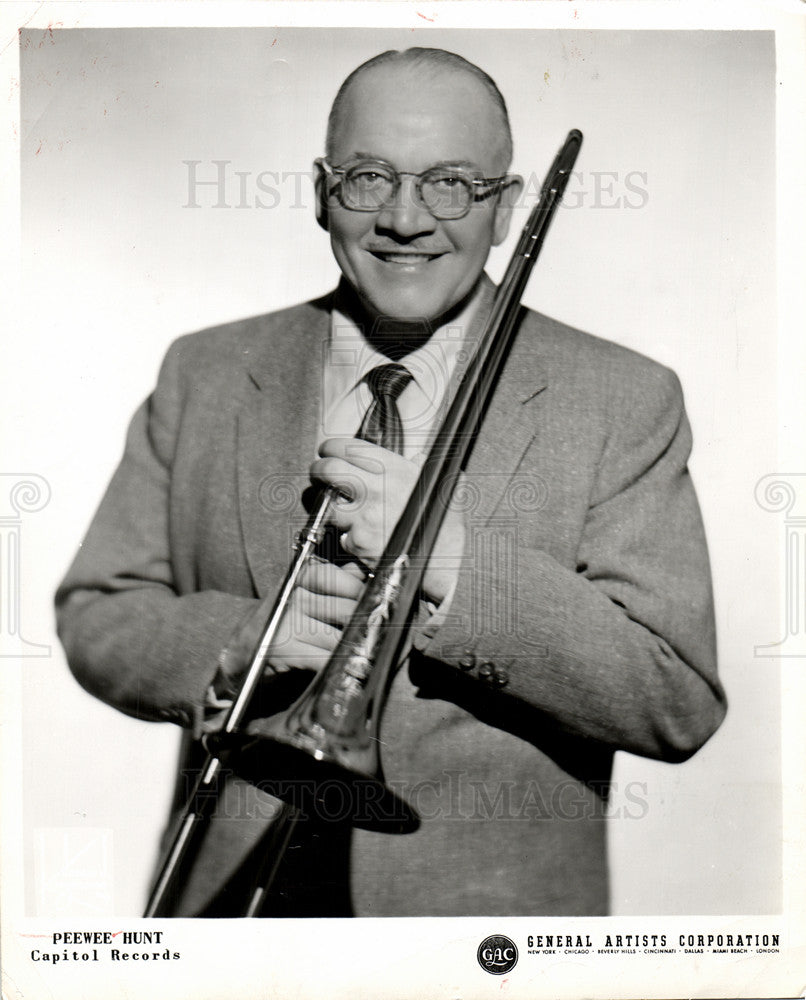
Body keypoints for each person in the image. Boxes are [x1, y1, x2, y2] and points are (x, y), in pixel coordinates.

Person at [55, 47, 726, 917]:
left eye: (451, 182)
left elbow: (676, 697)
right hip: (234, 920)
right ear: (320, 192)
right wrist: (243, 644)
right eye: (369, 177)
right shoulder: (208, 371)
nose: (406, 219)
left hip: (485, 938)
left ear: (505, 207)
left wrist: (448, 562)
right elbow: (98, 610)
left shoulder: (623, 399)